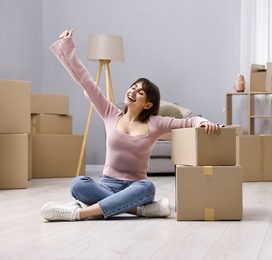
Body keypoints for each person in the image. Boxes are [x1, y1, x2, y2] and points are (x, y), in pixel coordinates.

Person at [41, 29, 221, 221]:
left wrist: (203, 122)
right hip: (106, 184)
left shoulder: (156, 123)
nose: (134, 91)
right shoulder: (109, 112)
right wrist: (67, 48)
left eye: (141, 92)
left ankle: (79, 213)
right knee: (78, 184)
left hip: (136, 186)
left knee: (148, 187)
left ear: (148, 104)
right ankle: (138, 210)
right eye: (133, 87)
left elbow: (189, 121)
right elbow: (86, 82)